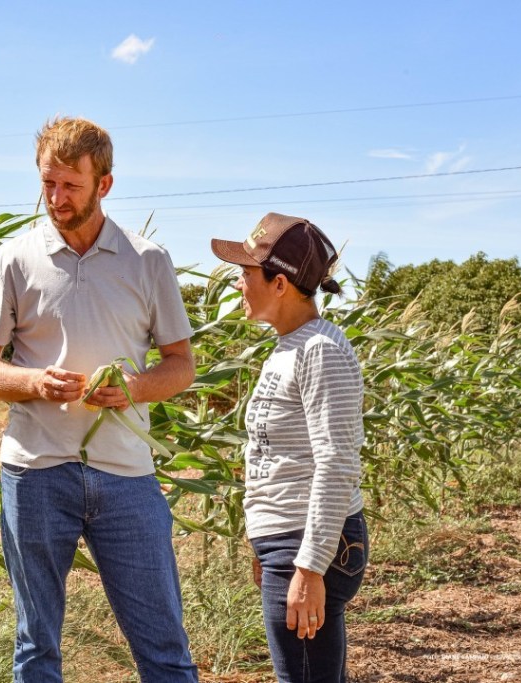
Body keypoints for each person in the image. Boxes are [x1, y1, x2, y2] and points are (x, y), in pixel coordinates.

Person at [0, 116, 199, 682]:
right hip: (35, 473)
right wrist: (34, 384)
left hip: (127, 475)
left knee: (164, 645)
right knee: (36, 644)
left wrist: (132, 390)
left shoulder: (148, 261)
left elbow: (181, 365)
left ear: (105, 184)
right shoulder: (13, 259)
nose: (56, 198)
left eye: (71, 185)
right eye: (47, 183)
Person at [211, 213, 368, 683]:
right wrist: (262, 541)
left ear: (279, 283)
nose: (238, 284)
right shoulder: (290, 346)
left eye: (246, 273)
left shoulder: (320, 350)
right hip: (288, 542)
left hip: (307, 544)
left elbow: (336, 463)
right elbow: (273, 457)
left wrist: (309, 567)